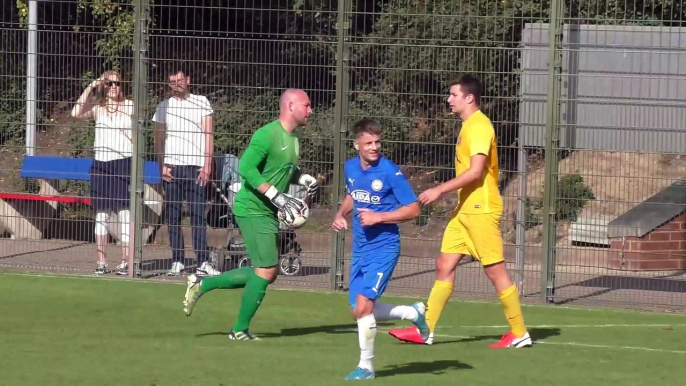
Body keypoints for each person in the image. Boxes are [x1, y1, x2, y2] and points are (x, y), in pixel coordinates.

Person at [388, 74, 532, 349]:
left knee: (495, 271)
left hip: (481, 209)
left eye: (453, 95)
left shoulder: (479, 126)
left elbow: (476, 171)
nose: (448, 99)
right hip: (464, 210)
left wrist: (440, 189)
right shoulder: (468, 126)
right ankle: (425, 330)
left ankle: (519, 331)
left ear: (469, 98)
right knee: (444, 264)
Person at [182, 88, 319, 341]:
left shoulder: (294, 138)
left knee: (267, 271)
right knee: (266, 270)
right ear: (290, 106)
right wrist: (276, 195)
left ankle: (203, 284)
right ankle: (238, 330)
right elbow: (246, 167)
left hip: (267, 210)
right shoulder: (266, 134)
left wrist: (302, 177)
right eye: (307, 105)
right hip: (252, 208)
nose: (310, 110)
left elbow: (286, 168)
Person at [332, 119, 429, 380]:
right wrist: (341, 213)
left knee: (364, 307)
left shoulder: (389, 172)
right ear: (357, 145)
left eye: (378, 142)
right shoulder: (350, 167)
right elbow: (353, 194)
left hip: (384, 247)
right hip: (361, 247)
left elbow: (413, 209)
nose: (375, 147)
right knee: (358, 310)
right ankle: (413, 312)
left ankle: (366, 367)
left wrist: (379, 218)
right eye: (369, 143)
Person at [153, 67, 220, 277]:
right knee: (173, 216)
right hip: (172, 167)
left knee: (197, 216)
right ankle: (177, 260)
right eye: (172, 81)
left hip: (196, 168)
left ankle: (203, 261)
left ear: (188, 79)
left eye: (179, 80)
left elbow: (209, 135)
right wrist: (161, 165)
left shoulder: (202, 102)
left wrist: (207, 164)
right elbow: (158, 139)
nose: (176, 84)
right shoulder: (164, 107)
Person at [71, 70, 134, 276]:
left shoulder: (130, 106)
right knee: (102, 214)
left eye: (117, 83)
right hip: (101, 164)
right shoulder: (98, 109)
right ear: (104, 87)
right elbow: (75, 113)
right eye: (109, 84)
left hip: (123, 162)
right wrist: (92, 86)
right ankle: (101, 261)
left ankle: (126, 260)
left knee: (125, 213)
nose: (114, 87)